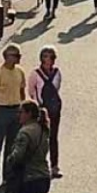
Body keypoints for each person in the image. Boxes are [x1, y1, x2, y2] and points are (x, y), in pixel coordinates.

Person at [0, 44, 26, 188]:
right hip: (2, 110)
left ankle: (7, 176)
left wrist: (22, 109)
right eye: (16, 55)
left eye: (19, 55)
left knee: (11, 146)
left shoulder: (20, 71)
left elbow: (22, 90)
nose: (18, 58)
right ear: (7, 57)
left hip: (16, 110)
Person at [27, 46, 63, 178]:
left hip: (54, 109)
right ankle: (37, 167)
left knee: (53, 137)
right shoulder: (35, 74)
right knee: (40, 138)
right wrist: (38, 104)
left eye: (52, 57)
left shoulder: (57, 73)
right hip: (41, 109)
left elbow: (57, 87)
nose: (49, 60)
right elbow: (31, 90)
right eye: (46, 57)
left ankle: (54, 166)